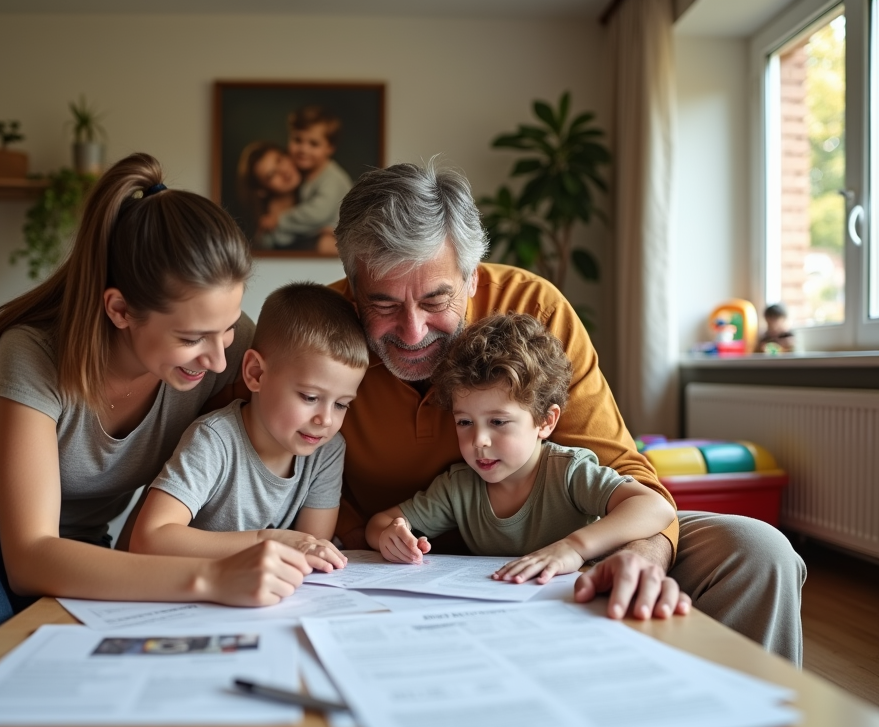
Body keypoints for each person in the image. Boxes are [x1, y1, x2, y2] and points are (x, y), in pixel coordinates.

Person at [0, 153, 314, 717]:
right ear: (120, 309)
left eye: (228, 328)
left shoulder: (227, 344)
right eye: (194, 337)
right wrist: (210, 576)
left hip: (74, 544)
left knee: (79, 661)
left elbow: (305, 378)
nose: (221, 360)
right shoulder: (32, 353)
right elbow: (31, 557)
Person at [330, 160, 806, 664]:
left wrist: (640, 556)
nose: (412, 332)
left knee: (758, 552)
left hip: (565, 551)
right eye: (382, 304)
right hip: (397, 572)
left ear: (471, 279)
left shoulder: (535, 307)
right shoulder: (320, 330)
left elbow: (628, 476)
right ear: (353, 289)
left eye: (435, 299)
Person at [367, 313, 676, 584]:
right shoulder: (458, 487)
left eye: (498, 422)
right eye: (464, 422)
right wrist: (391, 535)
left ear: (545, 421)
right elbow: (379, 523)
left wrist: (574, 547)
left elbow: (655, 507)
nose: (479, 441)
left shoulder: (568, 472)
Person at [129, 282, 368, 570]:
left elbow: (312, 549)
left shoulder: (326, 451)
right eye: (310, 397)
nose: (326, 420)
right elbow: (148, 539)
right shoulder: (214, 440)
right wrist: (267, 540)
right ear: (255, 374)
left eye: (341, 404)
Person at [257, 106, 352, 251]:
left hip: (339, 239)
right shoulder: (300, 174)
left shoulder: (332, 178)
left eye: (313, 144)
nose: (303, 149)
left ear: (330, 148)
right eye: (297, 140)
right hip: (312, 234)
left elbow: (318, 213)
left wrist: (280, 220)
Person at [236, 141, 335, 255]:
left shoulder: (315, 194)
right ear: (261, 191)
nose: (283, 171)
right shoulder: (267, 232)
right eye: (271, 175)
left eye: (279, 160)